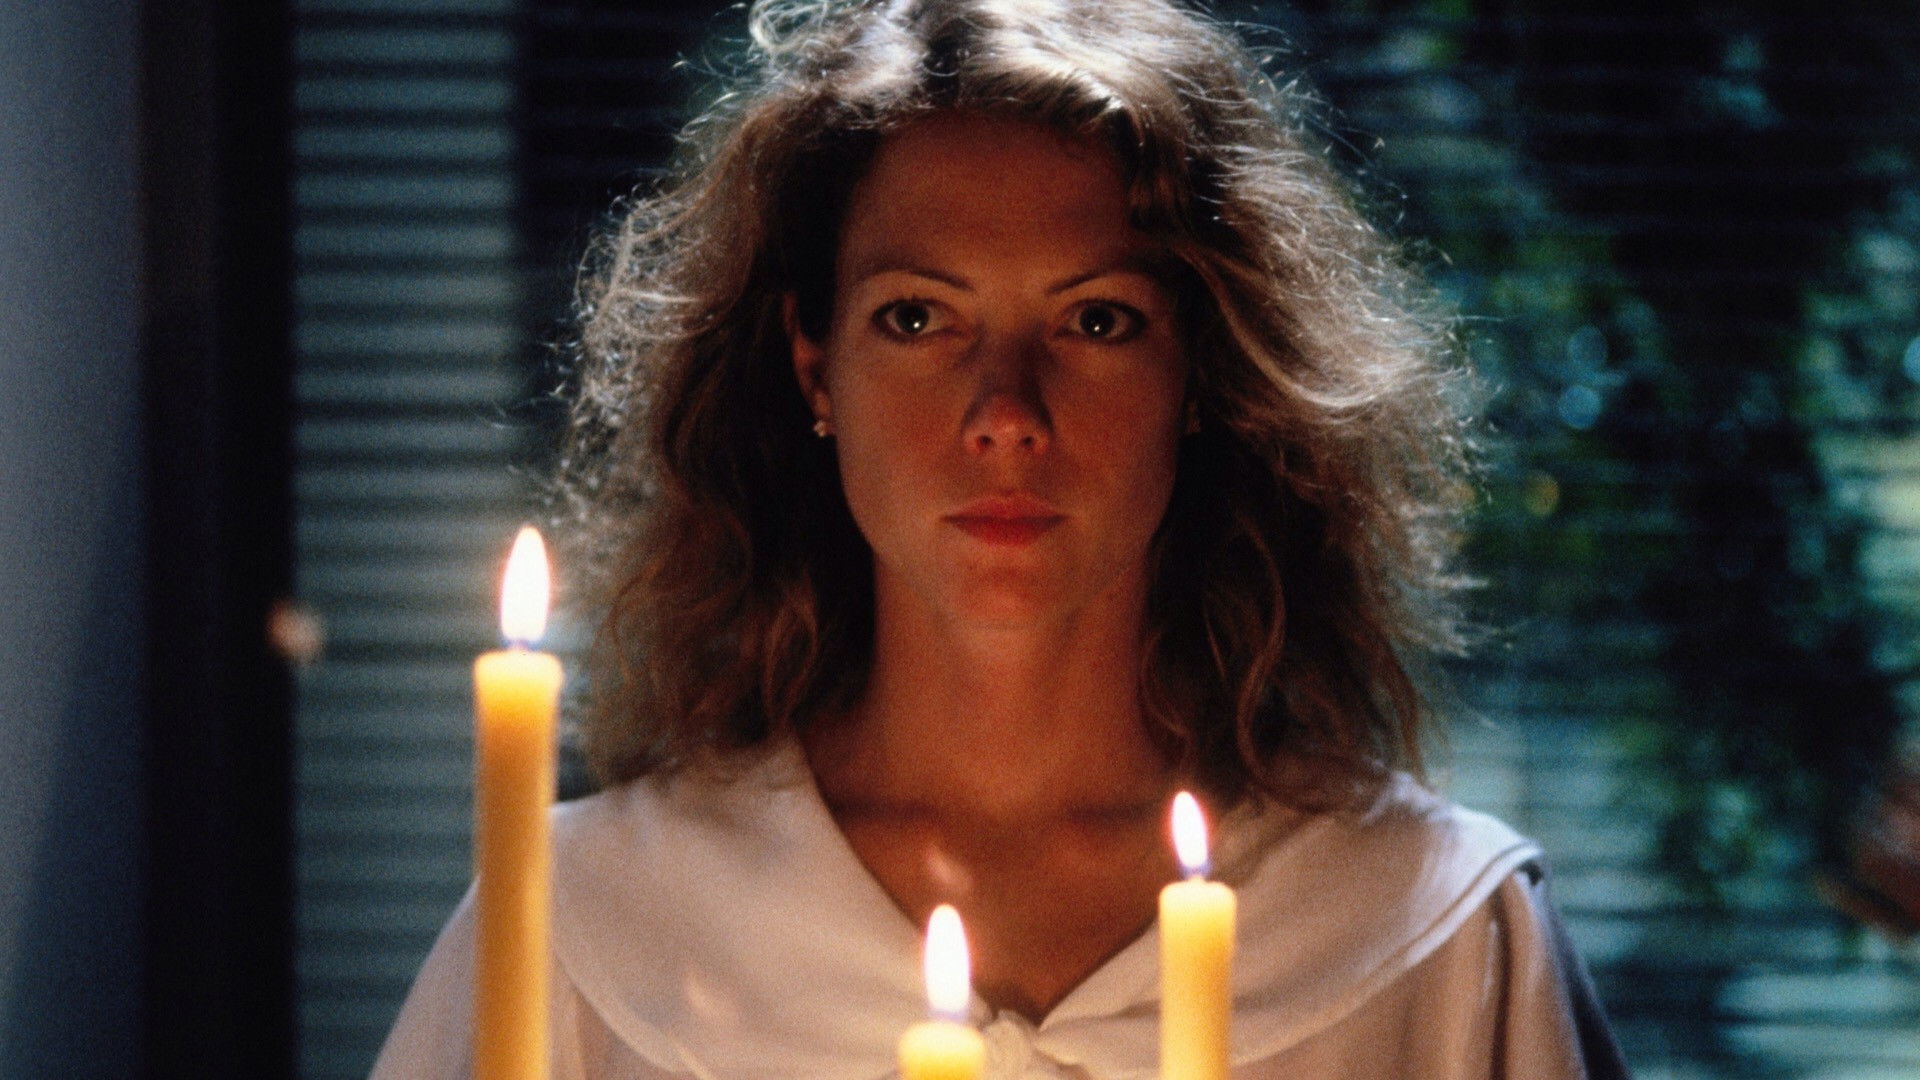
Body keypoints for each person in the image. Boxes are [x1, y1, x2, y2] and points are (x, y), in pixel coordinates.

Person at [373, 0, 1631, 1076]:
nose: (1006, 415)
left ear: (1200, 372)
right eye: (918, 319)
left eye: (1097, 321)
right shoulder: (590, 925)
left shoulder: (1436, 932)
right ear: (815, 370)